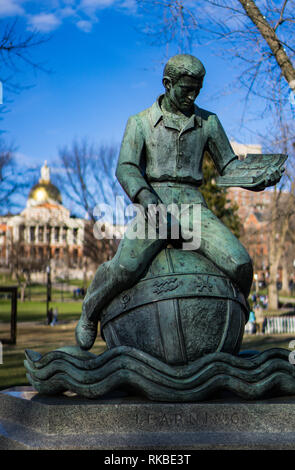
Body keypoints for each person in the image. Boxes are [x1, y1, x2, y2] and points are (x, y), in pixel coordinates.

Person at [75, 54, 283, 351]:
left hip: (193, 205)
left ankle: (238, 310)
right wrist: (146, 199)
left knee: (240, 263)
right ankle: (89, 312)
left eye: (197, 89)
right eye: (186, 89)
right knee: (125, 268)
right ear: (167, 84)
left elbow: (228, 166)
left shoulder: (209, 122)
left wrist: (257, 178)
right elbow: (127, 167)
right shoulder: (140, 122)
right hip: (155, 203)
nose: (192, 95)